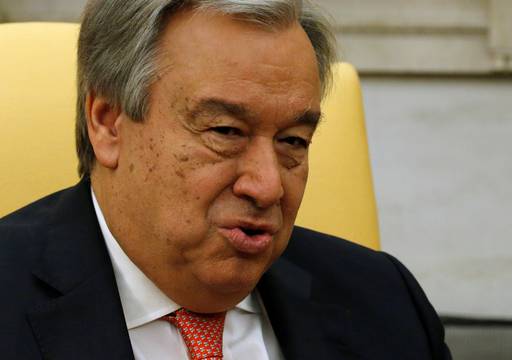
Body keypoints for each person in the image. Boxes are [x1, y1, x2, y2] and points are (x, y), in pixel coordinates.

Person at [0, 0, 451, 359]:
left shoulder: (386, 303)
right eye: (226, 132)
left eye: (293, 141)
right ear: (109, 123)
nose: (268, 186)